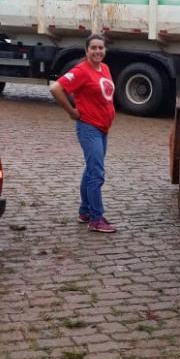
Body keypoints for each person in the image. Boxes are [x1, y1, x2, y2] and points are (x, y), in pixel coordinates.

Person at [49, 34, 117, 233]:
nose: (97, 51)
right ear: (86, 50)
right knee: (96, 173)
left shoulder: (105, 68)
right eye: (93, 48)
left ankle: (85, 211)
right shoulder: (81, 71)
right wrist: (71, 111)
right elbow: (56, 88)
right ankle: (96, 219)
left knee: (90, 170)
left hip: (102, 128)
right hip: (89, 127)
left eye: (101, 48)